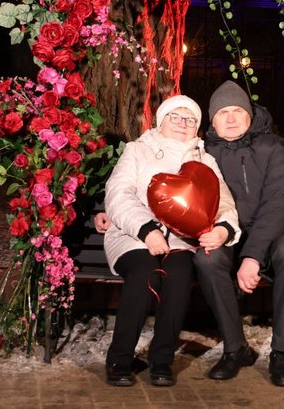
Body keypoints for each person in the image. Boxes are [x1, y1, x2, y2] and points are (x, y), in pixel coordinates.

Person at [101, 94, 240, 388]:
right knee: (146, 273)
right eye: (174, 117)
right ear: (160, 121)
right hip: (133, 236)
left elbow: (223, 201)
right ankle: (119, 358)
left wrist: (224, 229)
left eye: (189, 119)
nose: (182, 123)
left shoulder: (204, 160)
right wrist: (146, 230)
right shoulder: (138, 150)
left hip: (180, 240)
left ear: (197, 127)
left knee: (178, 277)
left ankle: (161, 360)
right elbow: (118, 193)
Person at [194, 80, 284, 387]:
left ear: (250, 115)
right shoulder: (203, 153)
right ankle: (235, 348)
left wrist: (253, 256)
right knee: (207, 260)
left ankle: (281, 353)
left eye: (237, 111)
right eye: (223, 113)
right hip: (226, 232)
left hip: (272, 231)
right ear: (212, 120)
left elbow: (280, 202)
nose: (230, 119)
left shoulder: (273, 147)